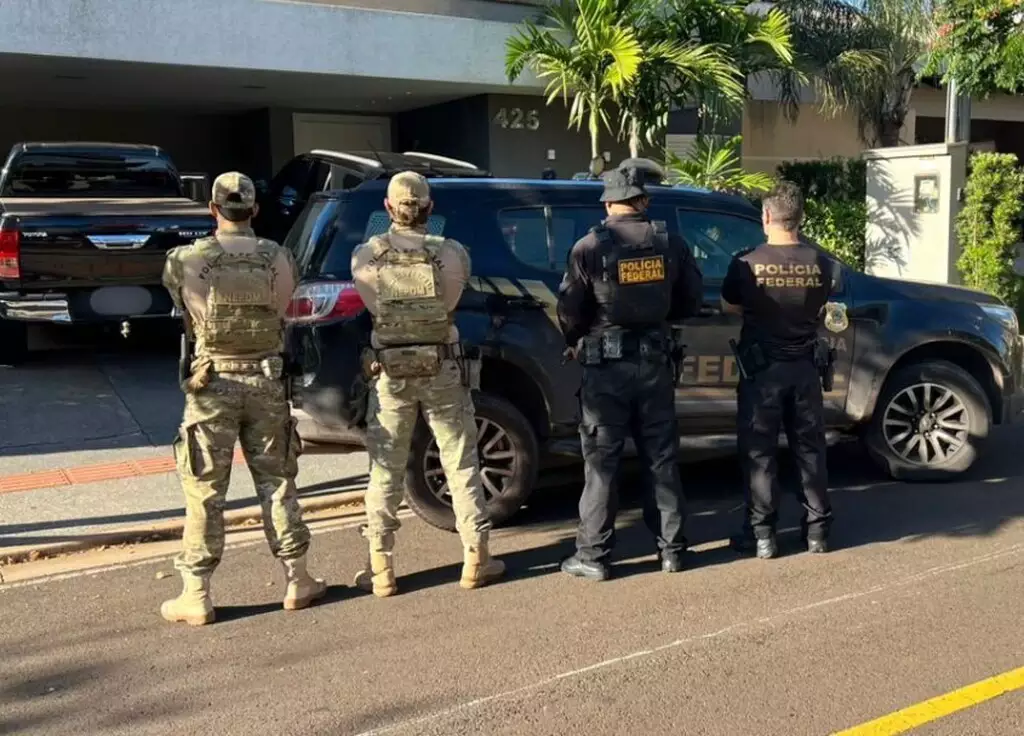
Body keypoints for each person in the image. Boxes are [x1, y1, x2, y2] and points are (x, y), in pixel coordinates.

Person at [160, 171, 326, 626]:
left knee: (204, 490)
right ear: (254, 210)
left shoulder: (186, 260)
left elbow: (179, 300)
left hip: (211, 385)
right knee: (277, 483)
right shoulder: (280, 257)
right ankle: (298, 579)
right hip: (267, 381)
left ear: (213, 209)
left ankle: (196, 593)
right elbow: (286, 305)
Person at [350, 171, 505, 597]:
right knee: (460, 463)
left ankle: (381, 568)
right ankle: (477, 557)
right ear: (430, 210)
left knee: (385, 470)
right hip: (443, 367)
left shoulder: (367, 255)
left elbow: (370, 306)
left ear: (387, 210)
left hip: (391, 373)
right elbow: (452, 300)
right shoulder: (452, 253)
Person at [557, 163, 704, 581]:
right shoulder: (669, 243)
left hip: (605, 369)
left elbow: (569, 311)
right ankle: (673, 551)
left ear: (607, 203)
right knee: (661, 457)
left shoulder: (589, 246)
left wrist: (580, 337)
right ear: (643, 200)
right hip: (656, 362)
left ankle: (594, 556)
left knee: (602, 462)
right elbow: (690, 302)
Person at [721, 180, 839, 559]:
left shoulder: (747, 261)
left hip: (762, 372)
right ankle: (818, 533)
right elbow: (825, 302)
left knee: (759, 452)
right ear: (799, 218)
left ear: (767, 216)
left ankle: (762, 537)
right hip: (805, 368)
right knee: (810, 450)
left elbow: (729, 305)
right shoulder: (822, 262)